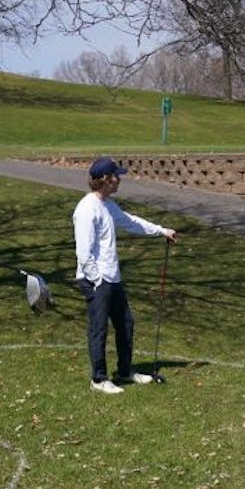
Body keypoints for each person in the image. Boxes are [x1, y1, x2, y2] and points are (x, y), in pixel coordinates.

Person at [74, 157, 178, 394]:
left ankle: (124, 371)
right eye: (115, 176)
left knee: (125, 324)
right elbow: (84, 252)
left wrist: (161, 231)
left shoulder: (108, 205)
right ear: (104, 180)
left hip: (112, 278)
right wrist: (97, 280)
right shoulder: (87, 209)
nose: (119, 179)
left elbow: (130, 223)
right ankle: (99, 379)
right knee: (99, 329)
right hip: (97, 280)